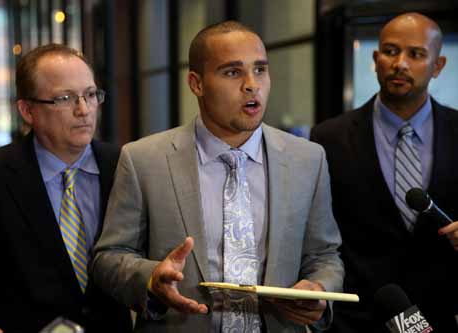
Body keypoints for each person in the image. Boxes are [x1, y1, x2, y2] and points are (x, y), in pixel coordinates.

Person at [91, 21, 344, 332]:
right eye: (232, 72)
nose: (252, 85)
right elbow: (109, 257)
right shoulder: (144, 159)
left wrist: (318, 289)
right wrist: (151, 278)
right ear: (196, 84)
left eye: (260, 70)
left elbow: (324, 254)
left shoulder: (308, 158)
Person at [0, 44, 132, 333]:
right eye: (65, 98)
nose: (84, 110)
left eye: (90, 95)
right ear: (27, 110)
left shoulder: (126, 166)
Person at [310, 12, 458, 332]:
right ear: (376, 59)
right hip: (357, 320)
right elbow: (320, 235)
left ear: (438, 65)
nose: (400, 63)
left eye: (416, 54)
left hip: (441, 314)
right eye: (390, 51)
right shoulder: (328, 137)